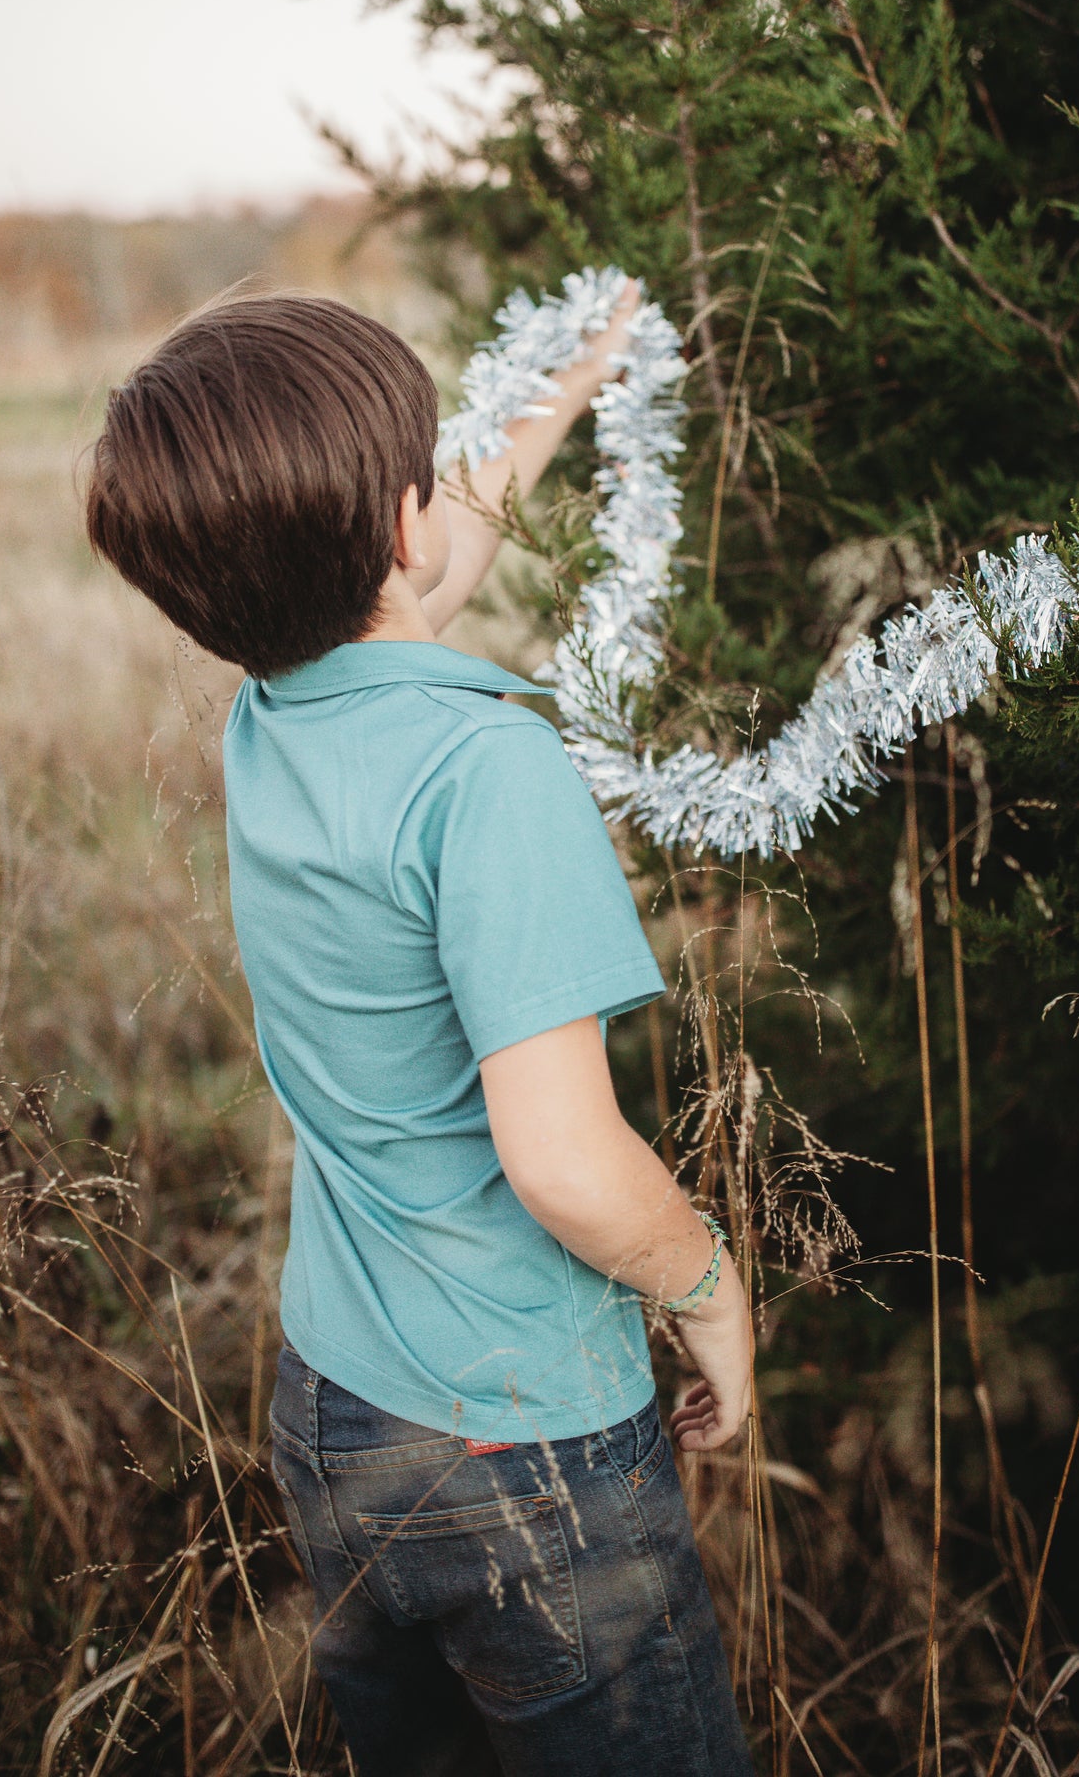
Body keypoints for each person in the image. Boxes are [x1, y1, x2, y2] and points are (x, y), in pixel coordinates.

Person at [82, 281, 755, 1776]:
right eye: (423, 466)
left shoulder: (277, 708)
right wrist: (712, 1290)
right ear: (392, 530)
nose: (450, 486)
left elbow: (438, 534)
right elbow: (566, 1166)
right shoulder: (486, 773)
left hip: (336, 1413)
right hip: (526, 1445)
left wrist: (576, 380)